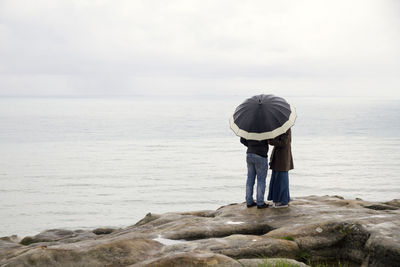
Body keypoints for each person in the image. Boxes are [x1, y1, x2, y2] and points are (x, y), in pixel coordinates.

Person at [267, 128, 294, 208]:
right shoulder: (280, 128)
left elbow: (284, 142)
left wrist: (270, 141)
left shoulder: (286, 128)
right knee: (277, 179)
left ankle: (283, 201)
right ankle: (280, 199)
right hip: (278, 157)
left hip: (283, 157)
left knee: (282, 179)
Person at [240, 137, 269, 209]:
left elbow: (242, 140)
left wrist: (251, 145)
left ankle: (249, 202)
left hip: (250, 153)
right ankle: (260, 203)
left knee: (250, 179)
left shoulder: (249, 126)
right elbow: (270, 140)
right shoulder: (265, 127)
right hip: (261, 155)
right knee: (261, 180)